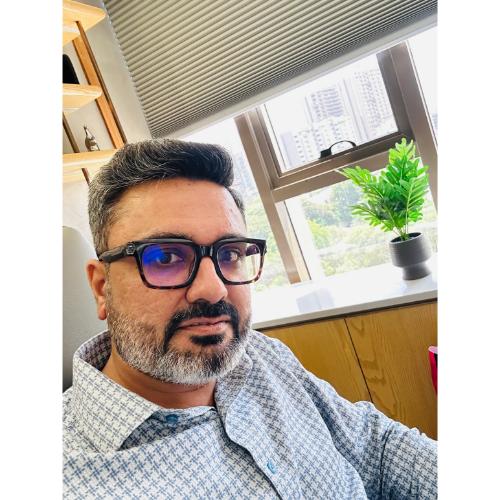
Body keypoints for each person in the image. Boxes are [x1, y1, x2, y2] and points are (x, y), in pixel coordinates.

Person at [63, 138, 437, 499]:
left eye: (229, 254)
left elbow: (374, 447)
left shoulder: (260, 356)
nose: (213, 290)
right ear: (101, 288)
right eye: (165, 257)